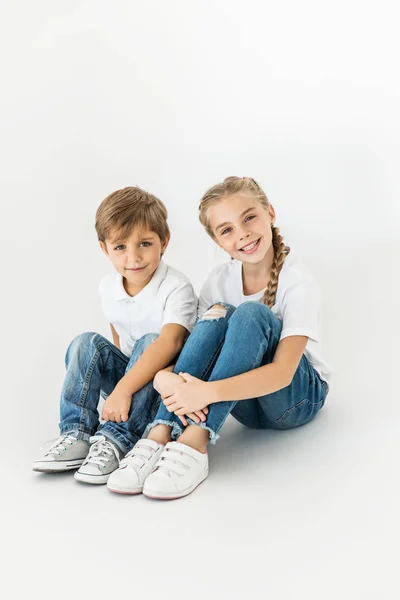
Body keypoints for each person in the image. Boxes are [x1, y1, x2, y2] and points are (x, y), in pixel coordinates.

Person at [107, 176, 333, 499]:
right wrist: (162, 379)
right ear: (217, 240)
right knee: (216, 317)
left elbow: (283, 373)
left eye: (249, 217)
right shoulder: (217, 281)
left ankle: (195, 443)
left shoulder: (297, 282)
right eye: (226, 230)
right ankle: (158, 434)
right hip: (244, 404)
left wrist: (207, 393)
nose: (242, 234)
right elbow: (197, 354)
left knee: (250, 314)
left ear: (270, 213)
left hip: (295, 397)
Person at [32, 186, 198, 485]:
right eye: (120, 247)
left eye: (144, 243)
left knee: (151, 341)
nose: (133, 257)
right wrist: (120, 391)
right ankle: (77, 433)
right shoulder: (108, 286)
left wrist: (123, 390)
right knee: (85, 342)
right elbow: (117, 336)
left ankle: (117, 438)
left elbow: (171, 343)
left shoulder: (176, 286)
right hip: (128, 385)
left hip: (162, 389)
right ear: (104, 248)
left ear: (164, 242)